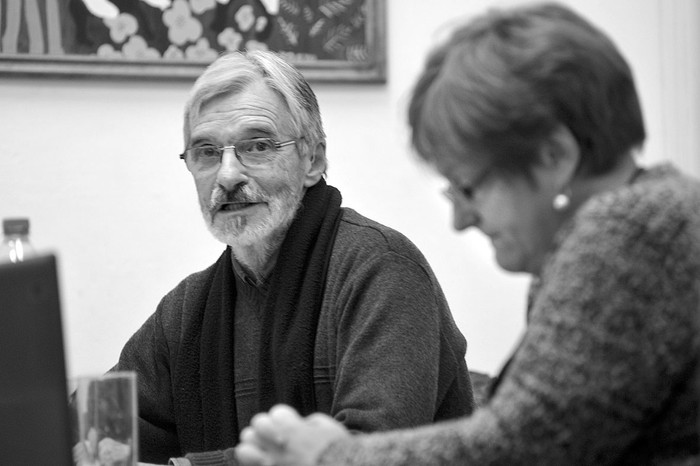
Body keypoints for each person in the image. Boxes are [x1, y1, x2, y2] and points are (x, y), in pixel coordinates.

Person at [234, 2, 700, 465]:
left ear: (554, 156)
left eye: (470, 187)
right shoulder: (646, 220)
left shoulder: (632, 231)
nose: (461, 220)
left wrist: (330, 456)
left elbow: (525, 447)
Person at [108, 50, 475, 466]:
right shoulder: (187, 311)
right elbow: (99, 425)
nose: (227, 176)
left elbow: (367, 454)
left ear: (313, 160)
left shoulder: (382, 269)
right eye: (207, 152)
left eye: (258, 145)